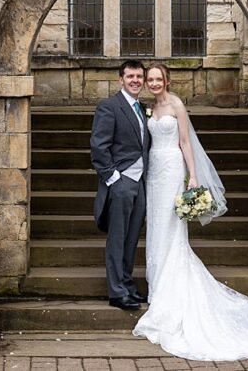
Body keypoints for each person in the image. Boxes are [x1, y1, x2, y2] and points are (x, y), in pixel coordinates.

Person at [132, 63, 248, 360]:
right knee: (156, 229)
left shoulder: (176, 104)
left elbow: (186, 142)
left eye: (157, 78)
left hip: (174, 168)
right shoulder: (149, 107)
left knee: (171, 230)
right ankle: (158, 288)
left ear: (166, 80)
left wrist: (192, 176)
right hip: (154, 173)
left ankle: (169, 293)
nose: (153, 83)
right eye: (149, 79)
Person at [90, 60, 149, 310]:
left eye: (139, 76)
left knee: (132, 237)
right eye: (130, 76)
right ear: (120, 79)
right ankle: (116, 291)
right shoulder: (109, 107)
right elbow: (98, 146)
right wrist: (114, 180)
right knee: (117, 238)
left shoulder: (142, 108)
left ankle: (126, 283)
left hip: (141, 183)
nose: (135, 80)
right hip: (122, 181)